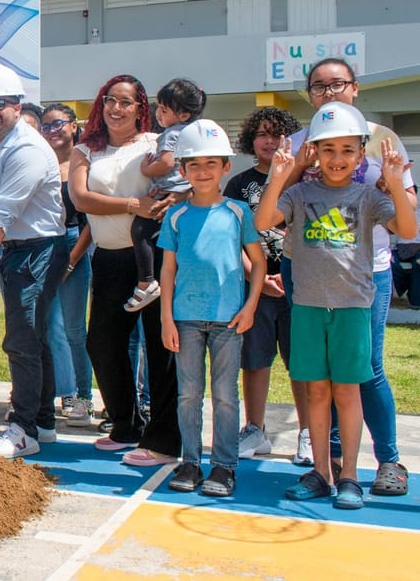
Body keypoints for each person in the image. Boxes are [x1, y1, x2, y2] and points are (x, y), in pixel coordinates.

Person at [258, 102, 415, 510]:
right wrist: (278, 177)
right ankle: (322, 473)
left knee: (348, 392)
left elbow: (409, 228)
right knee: (316, 392)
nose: (338, 159)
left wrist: (397, 183)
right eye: (328, 150)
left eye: (348, 150)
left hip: (352, 307)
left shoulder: (367, 196)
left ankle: (349, 476)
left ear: (362, 154)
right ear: (314, 152)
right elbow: (262, 223)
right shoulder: (299, 192)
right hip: (308, 306)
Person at [68, 74, 182, 466]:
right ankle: (126, 425)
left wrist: (167, 201)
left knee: (160, 347)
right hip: (109, 258)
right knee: (101, 343)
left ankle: (165, 439)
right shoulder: (85, 150)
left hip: (154, 257)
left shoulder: (156, 145)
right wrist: (134, 205)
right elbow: (82, 199)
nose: (116, 109)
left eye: (126, 102)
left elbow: (178, 182)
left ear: (140, 108)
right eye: (109, 101)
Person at [0, 66, 67, 459]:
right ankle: (42, 421)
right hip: (23, 249)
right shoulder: (4, 143)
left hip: (38, 250)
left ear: (17, 106)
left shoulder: (26, 149)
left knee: (21, 341)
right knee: (34, 339)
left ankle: (23, 430)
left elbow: (0, 214)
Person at [160, 120, 265, 497]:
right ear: (182, 170)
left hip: (228, 320)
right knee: (188, 394)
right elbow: (168, 269)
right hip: (185, 320)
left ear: (225, 168)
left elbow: (259, 262)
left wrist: (250, 306)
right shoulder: (176, 216)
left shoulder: (238, 212)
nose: (202, 172)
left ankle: (224, 466)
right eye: (193, 165)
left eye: (211, 164)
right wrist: (166, 318)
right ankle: (190, 460)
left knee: (224, 394)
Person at [224, 107, 311, 466]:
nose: (269, 140)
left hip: (299, 285)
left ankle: (309, 431)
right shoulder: (238, 184)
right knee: (254, 361)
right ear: (250, 139)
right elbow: (231, 239)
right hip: (255, 287)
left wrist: (288, 279)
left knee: (302, 365)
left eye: (277, 134)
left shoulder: (306, 180)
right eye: (262, 133)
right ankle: (254, 429)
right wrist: (255, 278)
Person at [126, 78, 206, 312]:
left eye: (164, 109)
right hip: (184, 194)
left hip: (170, 193)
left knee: (140, 230)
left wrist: (146, 169)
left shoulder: (171, 134)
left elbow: (165, 164)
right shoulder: (193, 133)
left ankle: (146, 282)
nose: (158, 113)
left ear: (182, 115)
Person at [39, 102, 95, 427]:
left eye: (58, 124)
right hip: (46, 242)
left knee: (75, 328)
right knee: (50, 328)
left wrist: (72, 261)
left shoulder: (84, 160)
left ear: (74, 125)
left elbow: (90, 221)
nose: (52, 131)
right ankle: (63, 392)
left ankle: (84, 398)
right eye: (46, 126)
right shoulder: (42, 162)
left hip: (76, 241)